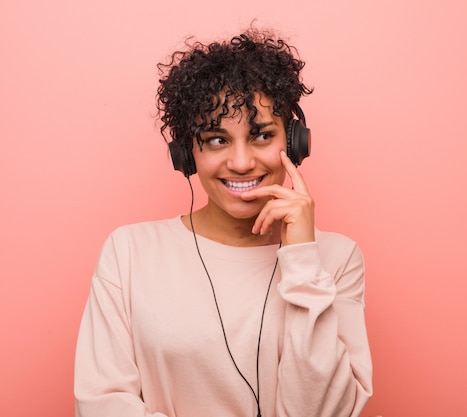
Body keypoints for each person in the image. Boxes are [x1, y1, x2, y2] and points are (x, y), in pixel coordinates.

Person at [74, 28, 372, 417]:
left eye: (262, 135)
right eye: (217, 140)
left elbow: (323, 411)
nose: (242, 162)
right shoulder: (129, 251)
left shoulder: (336, 258)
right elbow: (101, 404)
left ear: (295, 143)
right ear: (186, 153)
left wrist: (302, 258)